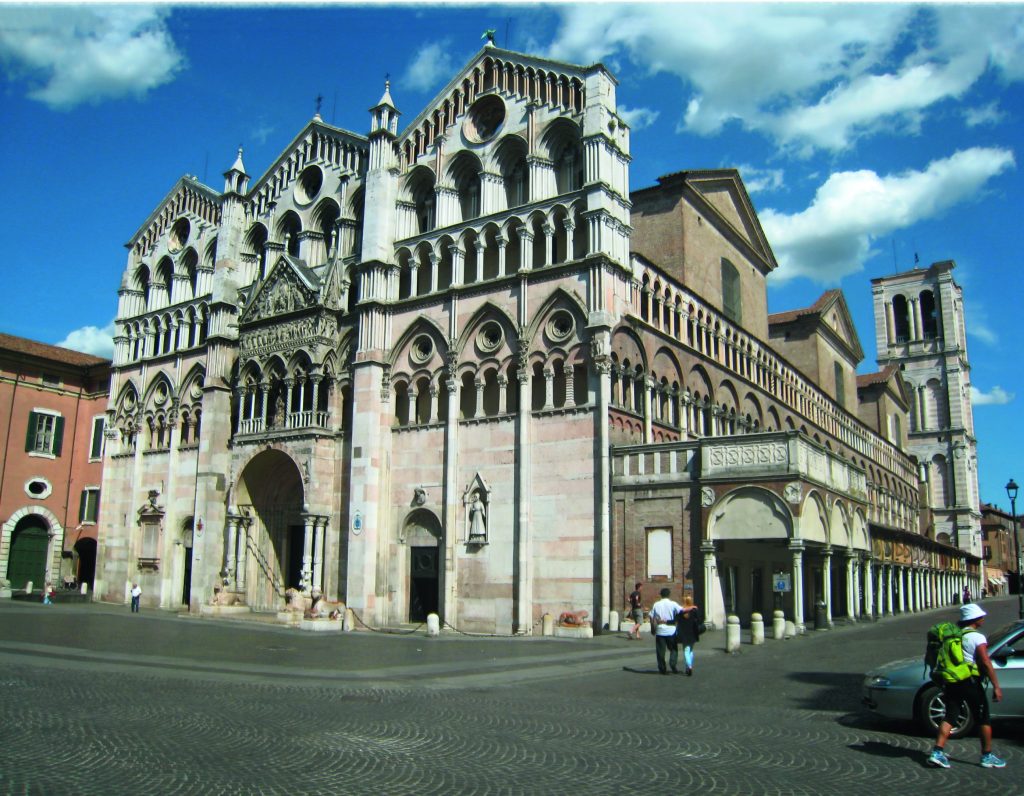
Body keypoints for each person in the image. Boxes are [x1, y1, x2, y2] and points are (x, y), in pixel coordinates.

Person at [927, 603, 1006, 769]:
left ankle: (937, 752)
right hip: (970, 680)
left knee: (950, 715)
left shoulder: (954, 635)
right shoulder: (977, 637)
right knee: (983, 717)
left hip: (952, 679)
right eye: (981, 616)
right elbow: (985, 661)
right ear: (975, 619)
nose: (983, 618)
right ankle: (987, 755)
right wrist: (996, 685)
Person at [649, 587, 682, 674]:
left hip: (660, 630)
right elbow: (681, 611)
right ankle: (672, 663)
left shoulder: (656, 604)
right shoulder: (673, 604)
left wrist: (652, 628)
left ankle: (662, 668)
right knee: (674, 649)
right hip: (671, 630)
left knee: (660, 651)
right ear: (669, 595)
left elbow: (651, 617)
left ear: (661, 595)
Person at [674, 595, 702, 676]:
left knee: (686, 650)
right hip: (692, 632)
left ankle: (689, 666)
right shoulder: (694, 610)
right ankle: (689, 666)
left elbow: (675, 620)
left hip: (683, 632)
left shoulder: (680, 611)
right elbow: (699, 620)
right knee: (690, 650)